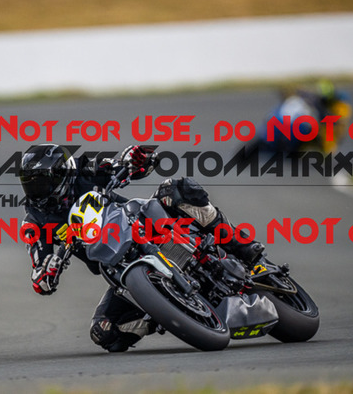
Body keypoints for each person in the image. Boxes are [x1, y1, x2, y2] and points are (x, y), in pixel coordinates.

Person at [19, 144, 265, 352]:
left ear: (62, 174)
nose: (37, 192)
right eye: (30, 185)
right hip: (118, 266)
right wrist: (46, 273)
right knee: (105, 332)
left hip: (141, 224)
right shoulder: (34, 222)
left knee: (176, 189)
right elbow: (39, 274)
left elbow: (129, 165)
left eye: (42, 183)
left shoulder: (85, 171)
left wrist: (135, 159)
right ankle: (168, 310)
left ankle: (242, 246)